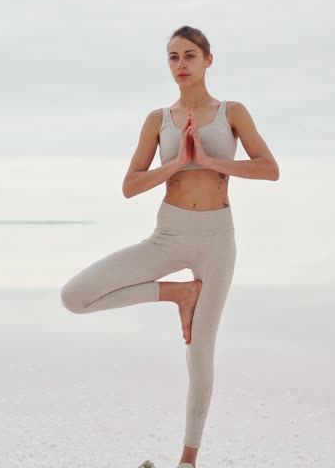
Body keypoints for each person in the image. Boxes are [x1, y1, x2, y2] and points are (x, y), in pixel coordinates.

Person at [60, 25, 280, 468]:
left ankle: (187, 460)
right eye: (173, 57)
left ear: (208, 61)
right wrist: (177, 164)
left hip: (217, 240)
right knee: (74, 297)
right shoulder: (157, 120)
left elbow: (269, 168)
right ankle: (177, 292)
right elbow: (129, 186)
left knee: (200, 353)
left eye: (190, 56)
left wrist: (212, 162)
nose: (181, 64)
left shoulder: (231, 112)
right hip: (168, 234)